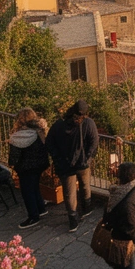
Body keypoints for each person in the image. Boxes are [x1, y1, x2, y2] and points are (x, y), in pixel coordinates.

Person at [47, 99, 99, 232]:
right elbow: (94, 141)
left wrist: (57, 158)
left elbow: (49, 143)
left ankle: (73, 220)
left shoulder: (59, 125)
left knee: (69, 192)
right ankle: (86, 208)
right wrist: (88, 158)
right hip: (82, 163)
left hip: (65, 164)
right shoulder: (88, 123)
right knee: (85, 185)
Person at [8, 108, 51, 229]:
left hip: (26, 167)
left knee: (27, 191)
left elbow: (14, 157)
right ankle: (41, 208)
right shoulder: (39, 131)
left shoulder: (19, 136)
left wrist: (13, 166)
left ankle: (33, 216)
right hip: (40, 164)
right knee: (35, 186)